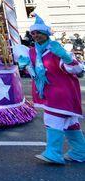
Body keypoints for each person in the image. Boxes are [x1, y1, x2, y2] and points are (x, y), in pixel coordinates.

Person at [17, 15, 84, 164]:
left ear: (46, 34)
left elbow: (77, 70)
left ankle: (53, 153)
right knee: (70, 123)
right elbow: (34, 73)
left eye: (39, 32)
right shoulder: (33, 51)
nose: (35, 36)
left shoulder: (55, 48)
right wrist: (25, 65)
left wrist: (66, 57)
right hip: (47, 91)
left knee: (53, 120)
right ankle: (80, 152)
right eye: (33, 33)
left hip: (62, 92)